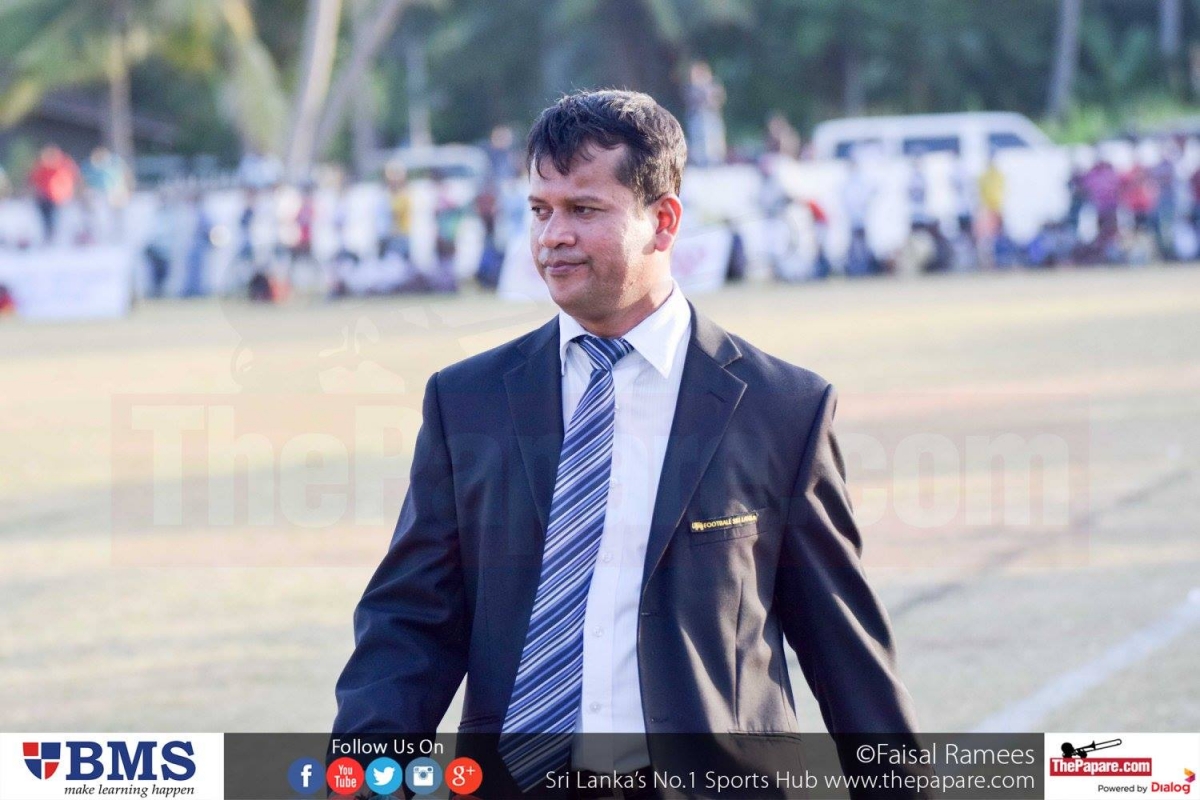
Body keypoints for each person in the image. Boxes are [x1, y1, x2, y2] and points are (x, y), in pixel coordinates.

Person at [334, 90, 923, 798]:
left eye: (584, 210)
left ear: (663, 221)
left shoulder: (783, 409)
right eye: (540, 210)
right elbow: (411, 623)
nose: (553, 236)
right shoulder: (466, 402)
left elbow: (844, 650)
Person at [27, 145, 80, 245]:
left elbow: (72, 176)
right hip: (43, 197)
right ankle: (48, 236)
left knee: (55, 217)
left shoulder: (62, 165)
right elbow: (33, 178)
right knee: (46, 218)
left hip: (57, 197)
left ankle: (55, 237)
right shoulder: (41, 166)